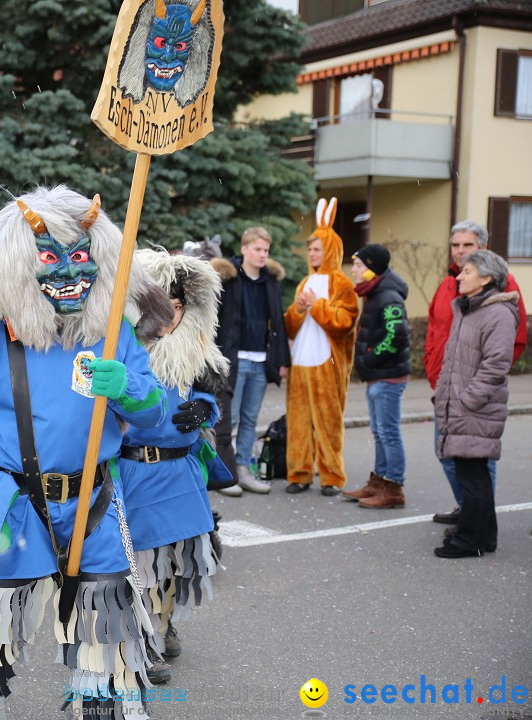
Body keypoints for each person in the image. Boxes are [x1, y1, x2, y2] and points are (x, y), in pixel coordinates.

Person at [0, 186, 176, 719]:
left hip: (95, 503)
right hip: (10, 507)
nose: (68, 275)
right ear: (17, 268)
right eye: (50, 260)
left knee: (107, 633)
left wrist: (128, 387)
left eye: (81, 259)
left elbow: (154, 415)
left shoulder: (113, 334)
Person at [123, 248, 228, 682]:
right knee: (138, 565)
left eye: (180, 305)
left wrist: (205, 408)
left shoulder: (197, 345)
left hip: (180, 472)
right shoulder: (123, 346)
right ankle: (143, 642)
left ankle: (164, 624)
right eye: (166, 305)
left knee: (172, 561)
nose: (173, 314)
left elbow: (213, 391)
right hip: (135, 472)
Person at [425, 221, 526, 525]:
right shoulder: (449, 283)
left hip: (472, 393)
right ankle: (468, 509)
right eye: (455, 245)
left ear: (481, 247)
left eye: (467, 245)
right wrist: (434, 370)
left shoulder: (501, 282)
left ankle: (479, 519)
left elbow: (511, 341)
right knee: (446, 452)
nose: (459, 251)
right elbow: (434, 329)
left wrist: (479, 387)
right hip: (446, 388)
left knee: (475, 458)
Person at [433, 250, 518, 557]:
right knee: (474, 472)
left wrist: (467, 399)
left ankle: (469, 541)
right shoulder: (468, 310)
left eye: (467, 272)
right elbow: (454, 360)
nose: (459, 276)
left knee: (472, 476)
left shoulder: (497, 313)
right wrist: (443, 396)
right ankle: (486, 537)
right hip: (461, 405)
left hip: (475, 408)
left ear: (485, 278)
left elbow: (497, 364)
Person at [282, 199, 358, 495]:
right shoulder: (305, 282)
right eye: (310, 249)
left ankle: (331, 476)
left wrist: (318, 305)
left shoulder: (342, 284)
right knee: (299, 422)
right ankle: (298, 473)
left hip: (328, 364)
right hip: (301, 362)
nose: (312, 253)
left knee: (328, 423)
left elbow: (345, 322)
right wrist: (299, 310)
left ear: (330, 250)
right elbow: (289, 325)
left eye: (317, 249)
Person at [212, 227, 290, 496]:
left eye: (266, 250)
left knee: (249, 418)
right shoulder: (230, 279)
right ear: (244, 249)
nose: (262, 255)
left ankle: (244, 468)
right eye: (257, 249)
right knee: (228, 419)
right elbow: (216, 320)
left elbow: (277, 321)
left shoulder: (270, 281)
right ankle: (226, 472)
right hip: (234, 358)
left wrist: (280, 358)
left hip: (260, 359)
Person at [342, 244, 410, 509]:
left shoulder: (389, 296)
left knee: (388, 433)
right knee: (380, 432)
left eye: (359, 265)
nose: (355, 270)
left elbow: (396, 336)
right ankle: (379, 482)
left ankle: (393, 487)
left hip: (387, 377)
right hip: (378, 376)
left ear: (373, 269)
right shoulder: (374, 293)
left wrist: (369, 358)